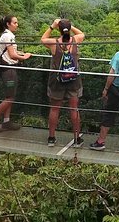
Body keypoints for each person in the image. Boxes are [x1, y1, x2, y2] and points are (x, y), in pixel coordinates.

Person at [41, 18, 85, 147]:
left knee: (55, 109)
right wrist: (70, 27)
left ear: (59, 30)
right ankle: (77, 139)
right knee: (74, 109)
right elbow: (82, 34)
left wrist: (52, 26)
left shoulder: (54, 43)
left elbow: (42, 39)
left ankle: (51, 138)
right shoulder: (76, 40)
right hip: (73, 80)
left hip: (57, 80)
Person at [0, 15, 32, 132]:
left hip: (8, 68)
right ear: (8, 24)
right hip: (9, 70)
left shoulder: (6, 35)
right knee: (9, 98)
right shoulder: (8, 36)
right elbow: (12, 55)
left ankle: (6, 121)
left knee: (10, 96)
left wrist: (20, 54)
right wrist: (24, 57)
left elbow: (11, 51)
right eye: (15, 23)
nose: (17, 25)